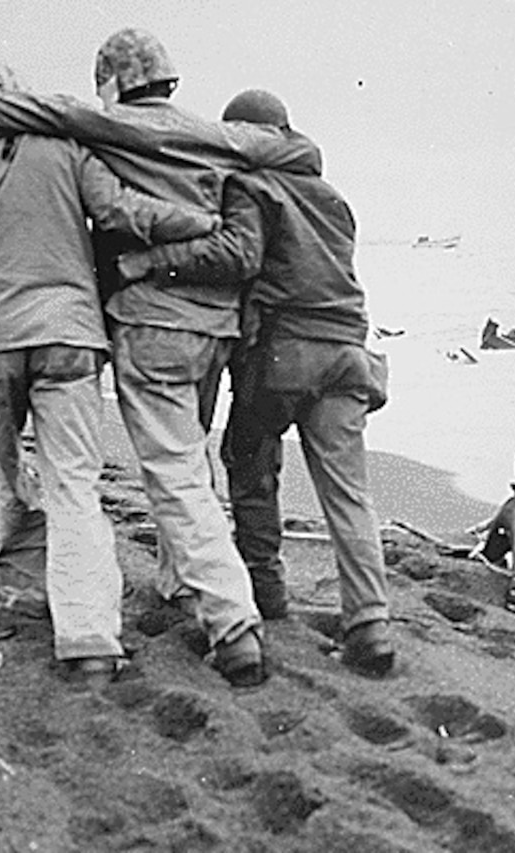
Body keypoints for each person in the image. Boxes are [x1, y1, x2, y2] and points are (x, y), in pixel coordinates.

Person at [0, 60, 221, 682]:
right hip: (70, 338)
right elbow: (122, 212)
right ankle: (89, 640)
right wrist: (202, 223)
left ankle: (29, 597)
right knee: (75, 485)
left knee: (3, 473)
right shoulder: (66, 149)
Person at [116, 90, 395, 676]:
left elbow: (238, 258)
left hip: (284, 354)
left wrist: (154, 264)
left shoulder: (252, 187)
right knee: (348, 495)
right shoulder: (335, 199)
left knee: (250, 461)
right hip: (349, 351)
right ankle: (370, 625)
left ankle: (266, 595)